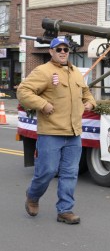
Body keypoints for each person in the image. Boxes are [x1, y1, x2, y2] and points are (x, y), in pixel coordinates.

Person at [18, 36, 97, 224]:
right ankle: (33, 195)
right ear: (51, 52)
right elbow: (23, 91)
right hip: (51, 132)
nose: (63, 52)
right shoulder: (43, 71)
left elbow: (86, 93)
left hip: (73, 133)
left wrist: (90, 103)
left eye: (65, 49)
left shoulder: (76, 72)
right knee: (47, 171)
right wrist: (43, 104)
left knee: (70, 173)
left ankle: (65, 210)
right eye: (58, 49)